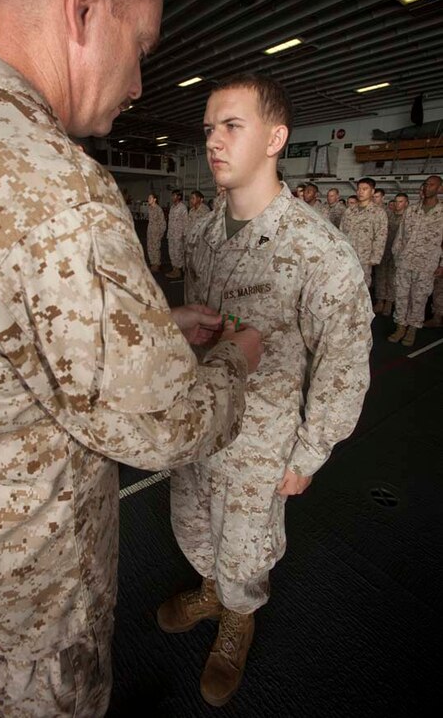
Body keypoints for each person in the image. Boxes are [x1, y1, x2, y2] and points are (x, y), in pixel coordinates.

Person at [0, 0, 263, 716]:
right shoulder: (57, 186)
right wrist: (236, 361)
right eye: (139, 48)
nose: (138, 84)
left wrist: (154, 328)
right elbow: (164, 424)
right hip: (37, 580)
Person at [156, 74, 372, 708]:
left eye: (231, 126)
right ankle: (211, 591)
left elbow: (344, 363)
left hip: (262, 440)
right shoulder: (202, 235)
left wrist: (309, 454)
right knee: (195, 523)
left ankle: (238, 617)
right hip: (201, 421)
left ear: (276, 138)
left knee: (246, 543)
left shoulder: (319, 251)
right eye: (207, 129)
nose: (213, 142)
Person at [389, 175, 443, 346]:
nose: (428, 187)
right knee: (401, 295)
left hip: (427, 263)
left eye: (432, 185)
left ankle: (412, 328)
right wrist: (397, 256)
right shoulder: (411, 210)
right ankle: (400, 327)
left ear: (440, 188)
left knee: (419, 298)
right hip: (405, 261)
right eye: (426, 184)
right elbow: (400, 236)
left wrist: (442, 264)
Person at [340, 177, 388, 288]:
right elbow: (341, 231)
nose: (360, 192)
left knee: (362, 286)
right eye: (359, 189)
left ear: (372, 191)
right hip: (347, 255)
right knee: (345, 284)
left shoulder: (378, 213)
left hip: (364, 257)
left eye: (365, 189)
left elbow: (381, 236)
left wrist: (375, 257)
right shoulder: (349, 211)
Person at [373, 192, 408, 315]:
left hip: (398, 254)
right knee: (381, 277)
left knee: (392, 279)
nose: (398, 204)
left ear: (406, 203)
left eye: (401, 201)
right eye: (396, 201)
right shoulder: (388, 215)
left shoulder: (408, 218)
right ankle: (380, 301)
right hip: (385, 251)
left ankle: (389, 302)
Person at [166, 188, 188, 278]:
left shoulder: (182, 208)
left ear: (179, 197)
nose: (172, 197)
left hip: (178, 235)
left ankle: (178, 271)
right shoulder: (172, 207)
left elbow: (186, 222)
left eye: (174, 195)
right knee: (172, 252)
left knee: (178, 252)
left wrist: (184, 234)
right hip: (171, 234)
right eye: (172, 195)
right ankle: (174, 269)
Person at [146, 192, 166, 272]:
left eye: (150, 198)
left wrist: (160, 234)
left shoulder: (158, 209)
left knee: (156, 248)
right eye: (148, 198)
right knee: (150, 248)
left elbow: (163, 223)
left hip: (156, 232)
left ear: (155, 199)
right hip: (150, 231)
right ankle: (152, 263)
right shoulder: (150, 208)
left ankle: (157, 264)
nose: (148, 200)